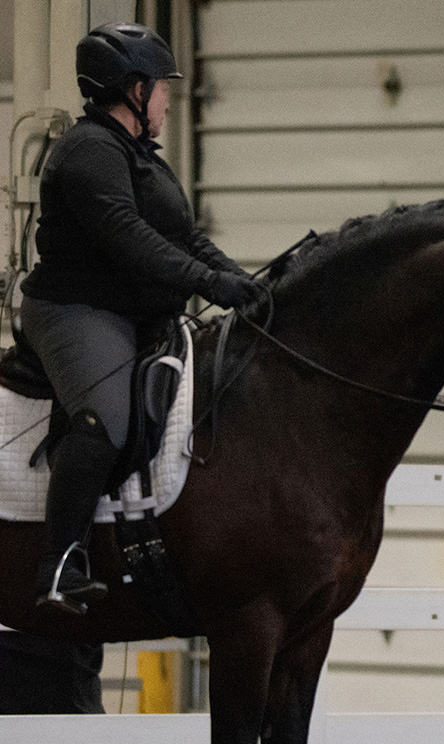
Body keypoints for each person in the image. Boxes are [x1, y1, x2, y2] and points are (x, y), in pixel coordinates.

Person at [21, 22, 257, 612]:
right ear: (131, 89)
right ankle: (61, 563)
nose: (169, 100)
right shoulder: (86, 152)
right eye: (161, 87)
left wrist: (246, 283)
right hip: (76, 309)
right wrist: (210, 284)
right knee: (108, 420)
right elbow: (130, 240)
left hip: (134, 310)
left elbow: (185, 237)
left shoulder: (142, 157)